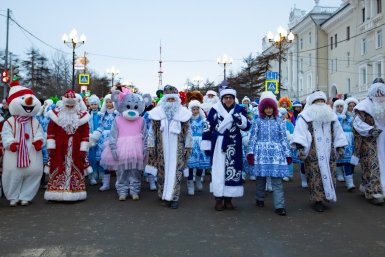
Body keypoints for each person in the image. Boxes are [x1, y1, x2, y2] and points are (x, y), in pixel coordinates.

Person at [291, 90, 348, 212]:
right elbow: (300, 133)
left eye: (322, 101)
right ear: (312, 103)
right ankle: (317, 200)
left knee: (330, 174)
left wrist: (340, 146)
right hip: (313, 153)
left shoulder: (331, 116)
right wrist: (300, 147)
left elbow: (339, 132)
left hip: (329, 153)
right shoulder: (305, 116)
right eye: (317, 101)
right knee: (315, 176)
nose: (320, 104)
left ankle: (327, 196)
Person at [201, 81, 251, 211]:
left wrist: (239, 119)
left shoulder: (240, 109)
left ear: (234, 99)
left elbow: (247, 126)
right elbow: (207, 126)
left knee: (233, 170)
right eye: (226, 97)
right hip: (218, 143)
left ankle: (229, 198)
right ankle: (218, 198)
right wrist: (207, 144)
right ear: (222, 98)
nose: (228, 100)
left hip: (234, 143)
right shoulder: (215, 110)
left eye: (231, 97)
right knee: (218, 170)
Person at [145, 85, 192, 209]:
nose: (171, 102)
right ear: (165, 100)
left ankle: (174, 197)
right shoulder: (157, 113)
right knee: (162, 173)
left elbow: (188, 131)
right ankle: (162, 195)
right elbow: (152, 131)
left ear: (177, 101)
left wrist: (188, 145)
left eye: (173, 100)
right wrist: (150, 145)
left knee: (176, 173)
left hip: (178, 148)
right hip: (161, 149)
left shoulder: (184, 114)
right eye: (169, 100)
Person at [247, 92, 291, 216]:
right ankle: (260, 198)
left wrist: (287, 154)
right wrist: (250, 153)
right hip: (260, 154)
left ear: (274, 108)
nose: (268, 110)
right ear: (262, 109)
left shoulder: (279, 122)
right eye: (266, 108)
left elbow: (283, 138)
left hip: (276, 155)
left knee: (277, 180)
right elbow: (253, 138)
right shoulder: (258, 121)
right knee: (260, 179)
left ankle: (279, 206)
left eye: (270, 108)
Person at [1, 80, 44, 206]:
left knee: (34, 172)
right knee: (13, 174)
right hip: (14, 152)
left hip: (32, 151)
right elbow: (6, 133)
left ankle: (26, 195)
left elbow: (39, 132)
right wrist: (10, 143)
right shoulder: (10, 121)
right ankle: (13, 197)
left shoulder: (34, 121)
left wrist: (39, 141)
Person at [44, 89, 92, 201]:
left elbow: (85, 133)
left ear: (76, 104)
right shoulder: (55, 114)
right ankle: (56, 193)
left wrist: (83, 147)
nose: (70, 107)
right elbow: (51, 131)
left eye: (72, 105)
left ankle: (75, 192)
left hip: (75, 148)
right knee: (58, 166)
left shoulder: (82, 116)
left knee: (76, 167)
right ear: (64, 103)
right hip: (59, 148)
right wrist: (51, 146)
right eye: (68, 105)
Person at [100, 90, 147, 201]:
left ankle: (134, 191)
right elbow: (113, 135)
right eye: (128, 106)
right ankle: (122, 191)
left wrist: (145, 148)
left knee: (135, 171)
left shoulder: (141, 120)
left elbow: (145, 135)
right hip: (121, 148)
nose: (131, 110)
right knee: (121, 171)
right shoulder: (118, 120)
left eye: (135, 107)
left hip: (137, 149)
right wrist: (113, 148)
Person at [352, 80, 385, 205]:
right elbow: (357, 123)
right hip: (370, 141)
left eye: (382, 94)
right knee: (372, 166)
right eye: (378, 93)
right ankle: (374, 192)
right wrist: (370, 130)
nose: (380, 97)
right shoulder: (364, 106)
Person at [90, 93, 119, 191]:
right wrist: (95, 136)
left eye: (110, 102)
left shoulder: (117, 114)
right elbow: (100, 127)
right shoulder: (102, 115)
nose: (108, 104)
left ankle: (118, 183)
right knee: (106, 161)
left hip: (115, 139)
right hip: (104, 140)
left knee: (116, 161)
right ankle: (105, 184)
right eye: (107, 102)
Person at [186, 100, 210, 195]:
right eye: (193, 109)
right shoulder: (187, 120)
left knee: (201, 164)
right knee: (190, 165)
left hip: (201, 143)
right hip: (191, 143)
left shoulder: (203, 120)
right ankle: (190, 184)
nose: (195, 111)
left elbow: (207, 131)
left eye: (196, 109)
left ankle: (198, 180)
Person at [87, 94, 102, 185]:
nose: (93, 106)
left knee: (100, 157)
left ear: (98, 104)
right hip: (91, 138)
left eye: (95, 104)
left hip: (100, 137)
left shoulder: (101, 114)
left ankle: (102, 175)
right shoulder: (88, 115)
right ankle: (92, 176)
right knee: (91, 157)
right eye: (92, 104)